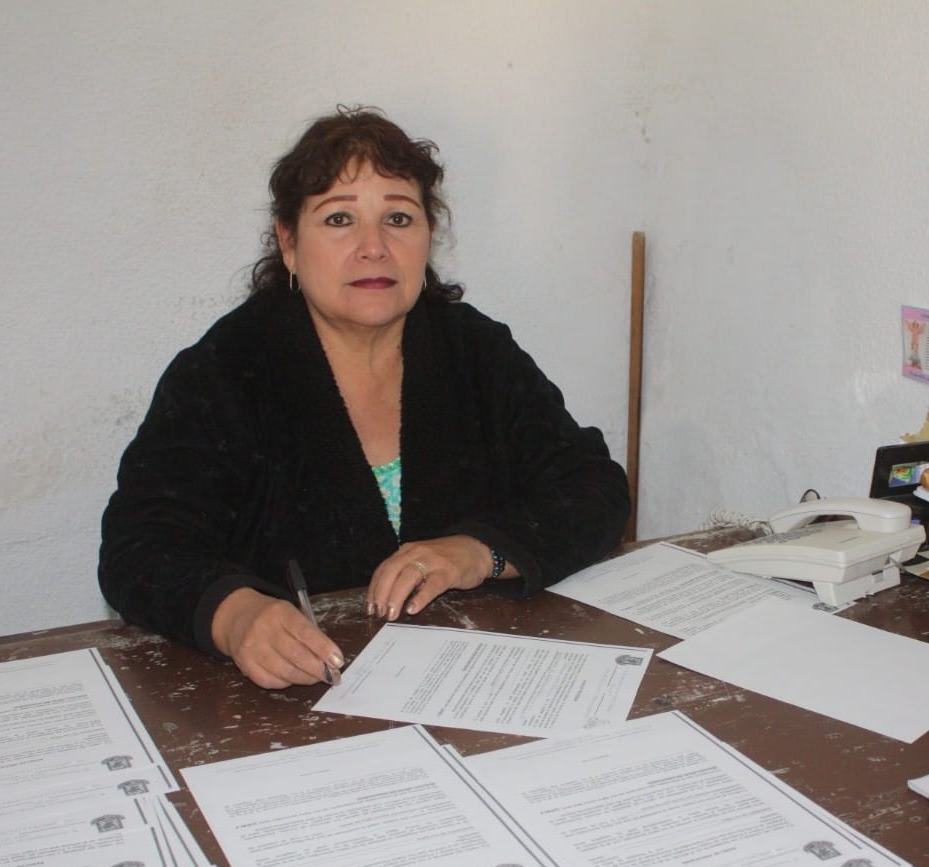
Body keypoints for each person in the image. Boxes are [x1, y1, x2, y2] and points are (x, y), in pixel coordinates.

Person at [98, 107, 630, 689]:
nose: (373, 246)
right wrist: (233, 615)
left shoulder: (475, 350)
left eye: (398, 218)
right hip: (291, 700)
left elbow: (593, 488)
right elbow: (138, 547)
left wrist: (481, 552)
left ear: (428, 236)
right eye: (339, 219)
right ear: (289, 242)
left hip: (471, 679)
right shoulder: (225, 370)